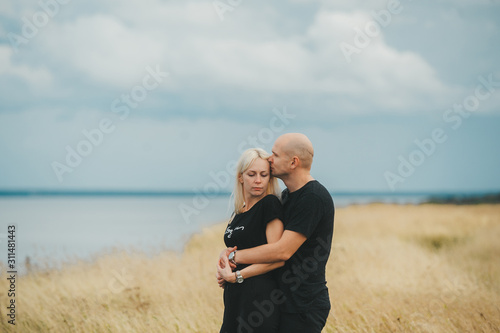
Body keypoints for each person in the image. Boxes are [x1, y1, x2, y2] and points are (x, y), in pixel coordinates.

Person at [220, 133, 335, 333]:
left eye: (275, 154)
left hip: (304, 304)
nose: (270, 159)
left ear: (293, 162)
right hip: (280, 299)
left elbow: (281, 252)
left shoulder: (313, 197)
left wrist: (234, 257)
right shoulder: (287, 197)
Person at [217, 148, 285, 333]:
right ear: (240, 177)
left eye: (264, 175)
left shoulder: (270, 204)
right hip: (234, 298)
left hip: (260, 299)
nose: (258, 180)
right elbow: (237, 248)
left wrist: (237, 275)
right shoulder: (239, 212)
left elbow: (277, 256)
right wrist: (225, 261)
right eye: (251, 174)